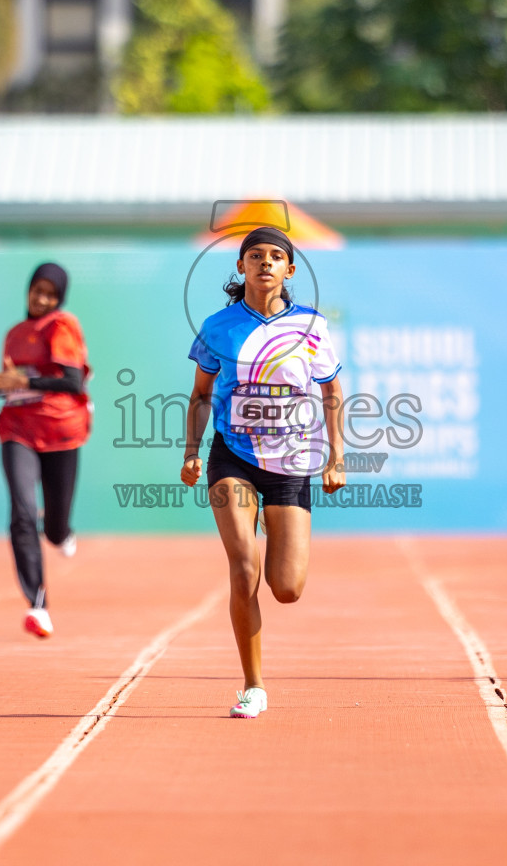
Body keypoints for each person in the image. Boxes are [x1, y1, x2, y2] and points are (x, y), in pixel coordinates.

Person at [181, 227, 345, 718]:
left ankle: (279, 545)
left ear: (290, 270)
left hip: (292, 464)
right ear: (242, 267)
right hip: (232, 456)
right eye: (256, 256)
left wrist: (337, 457)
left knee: (287, 588)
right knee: (244, 567)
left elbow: (331, 394)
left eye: (276, 257)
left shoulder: (312, 328)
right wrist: (191, 450)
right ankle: (253, 686)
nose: (266, 263)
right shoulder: (217, 326)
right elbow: (201, 395)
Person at [0, 263, 92, 639]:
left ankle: (60, 531)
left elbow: (71, 381)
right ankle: (37, 605)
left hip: (61, 432)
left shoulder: (62, 326)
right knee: (22, 512)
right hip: (18, 429)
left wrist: (21, 378)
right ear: (27, 291)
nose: (41, 299)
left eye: (50, 294)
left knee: (53, 529)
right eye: (36, 291)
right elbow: (17, 386)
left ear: (60, 299)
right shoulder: (15, 335)